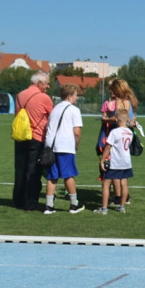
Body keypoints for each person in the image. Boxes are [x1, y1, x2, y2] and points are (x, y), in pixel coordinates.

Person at [13, 72, 53, 211]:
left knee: (20, 169)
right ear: (39, 83)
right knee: (33, 172)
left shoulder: (20, 95)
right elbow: (51, 117)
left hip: (21, 136)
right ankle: (30, 203)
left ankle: (18, 200)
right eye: (47, 83)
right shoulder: (44, 97)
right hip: (36, 137)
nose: (48, 86)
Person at [42, 83, 85, 214]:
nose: (77, 98)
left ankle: (49, 206)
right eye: (76, 95)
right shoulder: (74, 110)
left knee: (52, 177)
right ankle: (74, 204)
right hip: (65, 146)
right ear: (70, 96)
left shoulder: (55, 109)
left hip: (51, 146)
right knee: (68, 175)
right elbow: (77, 131)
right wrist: (76, 145)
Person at [98, 78, 138, 207]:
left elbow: (117, 119)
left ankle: (116, 197)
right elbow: (130, 120)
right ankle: (122, 199)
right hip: (126, 136)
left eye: (113, 89)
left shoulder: (120, 102)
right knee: (123, 174)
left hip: (115, 134)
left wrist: (105, 119)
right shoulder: (129, 101)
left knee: (112, 167)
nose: (112, 92)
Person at [96, 108, 134, 214]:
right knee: (124, 184)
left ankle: (104, 208)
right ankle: (121, 207)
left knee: (106, 183)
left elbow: (108, 146)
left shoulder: (115, 132)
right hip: (126, 162)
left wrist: (102, 160)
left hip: (115, 162)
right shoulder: (129, 132)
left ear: (117, 119)